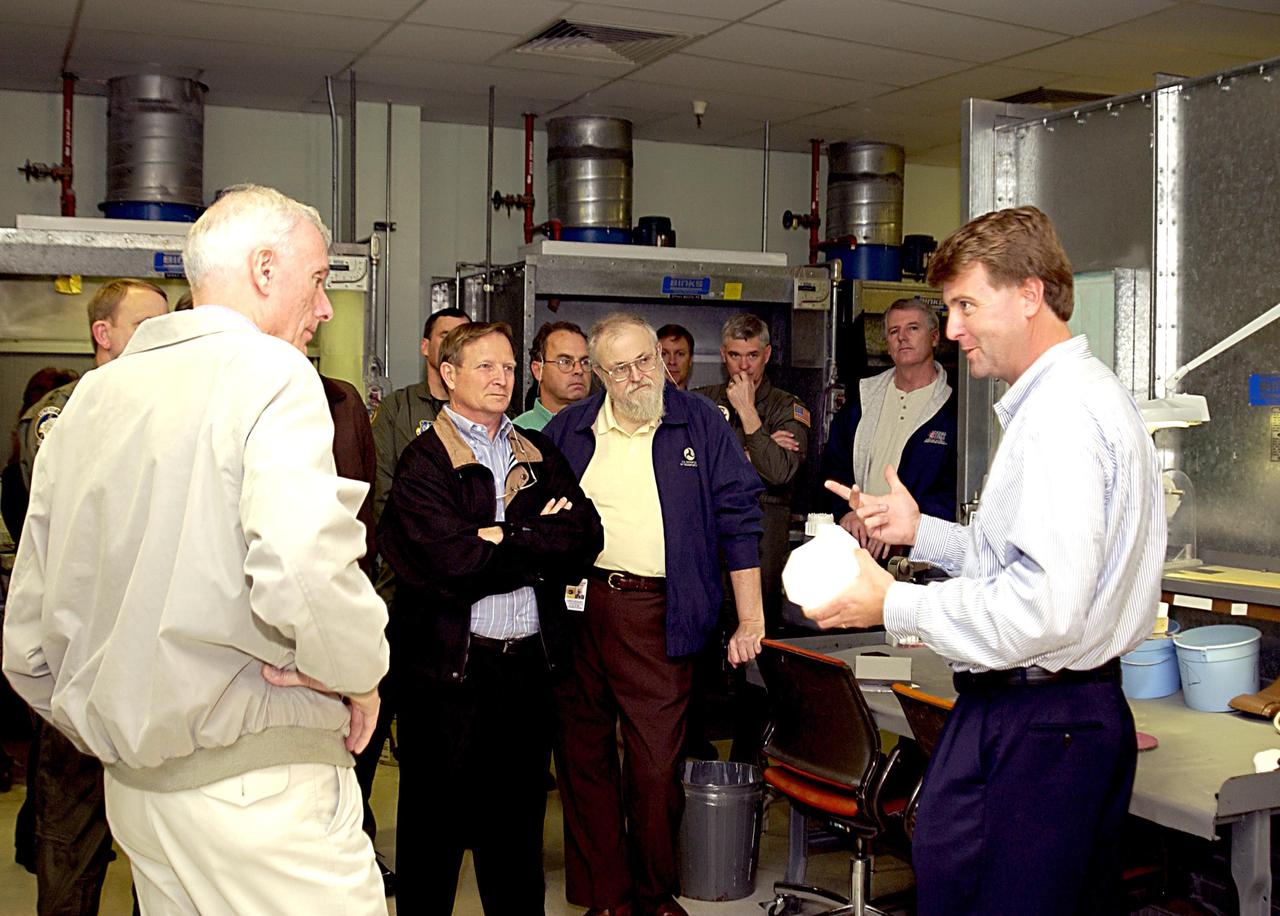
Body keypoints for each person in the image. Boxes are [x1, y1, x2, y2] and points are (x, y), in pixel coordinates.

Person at [2, 184, 391, 915]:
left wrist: (115, 721)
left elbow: (28, 638)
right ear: (265, 269)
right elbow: (305, 565)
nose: (325, 308)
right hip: (260, 795)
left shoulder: (89, 401)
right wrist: (358, 674)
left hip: (139, 798)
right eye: (318, 281)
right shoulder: (271, 374)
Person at [810, 206, 1164, 915]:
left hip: (1039, 721)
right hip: (1059, 716)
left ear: (1030, 294)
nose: (953, 329)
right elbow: (1019, 562)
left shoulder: (1061, 419)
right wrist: (922, 532)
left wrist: (893, 604)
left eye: (966, 305)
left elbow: (1042, 606)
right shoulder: (1071, 398)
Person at [544, 313, 765, 916]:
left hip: (658, 611)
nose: (642, 375)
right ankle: (605, 895)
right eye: (623, 368)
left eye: (648, 360)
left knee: (654, 764)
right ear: (598, 375)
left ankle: (652, 891)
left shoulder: (699, 422)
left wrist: (750, 619)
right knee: (583, 758)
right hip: (579, 608)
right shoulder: (569, 428)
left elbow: (740, 520)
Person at [379, 321, 602, 915]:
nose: (501, 379)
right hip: (448, 677)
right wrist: (534, 544)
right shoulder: (424, 461)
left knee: (517, 843)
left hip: (527, 673)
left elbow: (584, 536)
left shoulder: (539, 452)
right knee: (433, 842)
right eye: (485, 367)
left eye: (507, 367)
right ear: (448, 376)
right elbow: (450, 562)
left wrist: (502, 535)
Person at [11, 279, 168, 916]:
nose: (161, 340)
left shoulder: (168, 410)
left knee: (161, 852)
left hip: (156, 672)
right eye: (145, 325)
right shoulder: (63, 414)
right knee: (73, 842)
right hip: (80, 662)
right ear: (103, 333)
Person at [696, 313, 809, 631]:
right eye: (735, 355)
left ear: (767, 355)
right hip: (706, 541)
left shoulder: (787, 407)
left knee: (756, 644)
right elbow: (687, 469)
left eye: (752, 356)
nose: (744, 367)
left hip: (761, 545)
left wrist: (747, 411)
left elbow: (779, 471)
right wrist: (751, 453)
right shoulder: (701, 402)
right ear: (722, 354)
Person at [820, 297, 958, 558]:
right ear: (887, 344)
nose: (902, 337)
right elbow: (833, 467)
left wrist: (905, 527)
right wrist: (847, 512)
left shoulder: (953, 408)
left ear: (935, 337)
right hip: (859, 546)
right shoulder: (863, 398)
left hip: (920, 556)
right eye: (894, 331)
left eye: (913, 328)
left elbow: (953, 490)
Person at [370, 305, 469, 520]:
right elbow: (381, 488)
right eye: (445, 336)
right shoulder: (396, 408)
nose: (454, 344)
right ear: (425, 346)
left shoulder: (486, 412)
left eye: (463, 337)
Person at [515, 320, 591, 431]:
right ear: (538, 370)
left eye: (585, 362)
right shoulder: (516, 433)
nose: (579, 370)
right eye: (565, 362)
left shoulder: (604, 427)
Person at [657, 323, 694, 389]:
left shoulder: (700, 399)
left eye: (680, 354)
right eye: (664, 354)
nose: (672, 361)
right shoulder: (636, 399)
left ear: (690, 359)